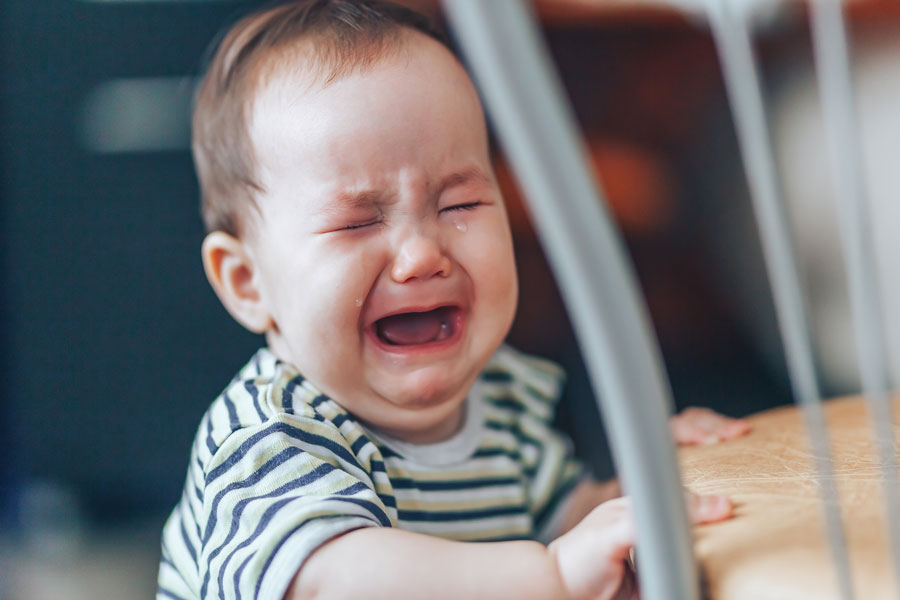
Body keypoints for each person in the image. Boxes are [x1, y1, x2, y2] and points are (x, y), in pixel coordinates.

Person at [158, 2, 750, 598]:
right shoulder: (270, 437)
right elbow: (329, 581)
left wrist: (638, 489)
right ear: (246, 282)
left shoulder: (503, 398)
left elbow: (558, 524)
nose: (421, 256)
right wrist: (552, 575)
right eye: (357, 223)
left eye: (459, 206)